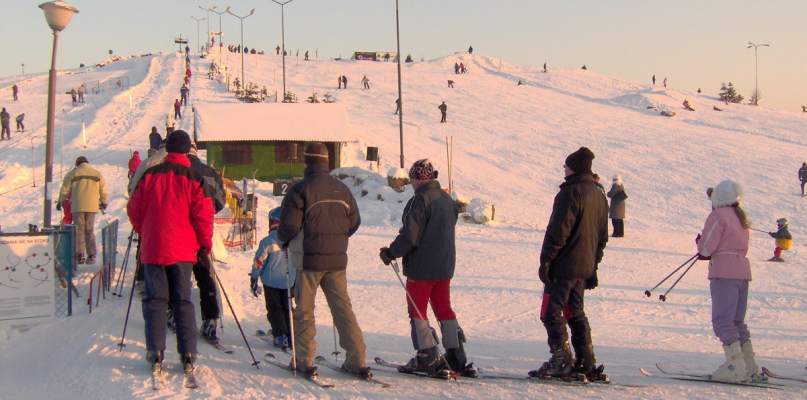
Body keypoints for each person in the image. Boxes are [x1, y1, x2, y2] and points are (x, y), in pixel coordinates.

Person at [277, 142, 369, 379]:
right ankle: (357, 359)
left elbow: (287, 227)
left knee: (304, 312)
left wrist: (284, 241)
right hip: (337, 262)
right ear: (326, 162)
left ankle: (304, 360)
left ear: (307, 162)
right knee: (343, 310)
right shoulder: (343, 189)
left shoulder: (299, 189)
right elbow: (354, 222)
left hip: (308, 262)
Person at [127, 130, 214, 380]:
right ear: (187, 150)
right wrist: (204, 245)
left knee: (155, 300)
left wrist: (144, 229)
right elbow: (204, 216)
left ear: (167, 150)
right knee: (182, 300)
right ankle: (187, 353)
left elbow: (133, 209)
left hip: (154, 247)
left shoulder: (149, 175)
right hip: (184, 250)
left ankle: (155, 351)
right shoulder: (195, 178)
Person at [379, 159, 477, 378]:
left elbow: (410, 237)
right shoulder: (445, 198)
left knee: (417, 311)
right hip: (444, 266)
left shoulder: (420, 200)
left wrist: (390, 252)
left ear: (420, 178)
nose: (411, 183)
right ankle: (456, 354)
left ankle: (427, 356)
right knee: (444, 309)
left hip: (422, 268)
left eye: (413, 178)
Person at [531, 147, 609, 381]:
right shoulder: (599, 195)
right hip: (582, 267)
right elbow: (601, 237)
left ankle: (561, 360)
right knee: (575, 312)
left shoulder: (570, 192)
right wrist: (593, 267)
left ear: (573, 168)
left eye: (566, 166)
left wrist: (547, 262)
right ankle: (586, 360)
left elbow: (558, 232)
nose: (563, 169)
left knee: (550, 312)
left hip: (564, 266)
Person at [696, 180, 764, 383]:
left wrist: (700, 243)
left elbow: (706, 249)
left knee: (723, 321)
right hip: (742, 271)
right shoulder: (740, 216)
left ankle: (735, 367)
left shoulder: (718, 215)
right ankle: (750, 366)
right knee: (736, 321)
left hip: (724, 273)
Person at [184, 141, 226, 343]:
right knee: (204, 275)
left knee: (178, 275)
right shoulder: (210, 172)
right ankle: (210, 318)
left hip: (180, 230)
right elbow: (221, 200)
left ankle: (175, 313)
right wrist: (209, 212)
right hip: (203, 230)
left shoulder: (178, 170)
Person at [251, 207, 295, 349]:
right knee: (287, 307)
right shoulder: (294, 240)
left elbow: (259, 261)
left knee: (274, 308)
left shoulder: (268, 241)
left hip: (271, 282)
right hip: (289, 281)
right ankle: (291, 334)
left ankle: (280, 334)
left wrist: (254, 277)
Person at [57, 156, 108, 265]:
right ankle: (92, 255)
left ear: (77, 164)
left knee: (79, 230)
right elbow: (103, 189)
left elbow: (65, 189)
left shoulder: (73, 174)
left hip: (77, 206)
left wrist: (60, 201)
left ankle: (80, 255)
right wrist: (104, 202)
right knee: (89, 230)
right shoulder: (97, 174)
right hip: (92, 206)